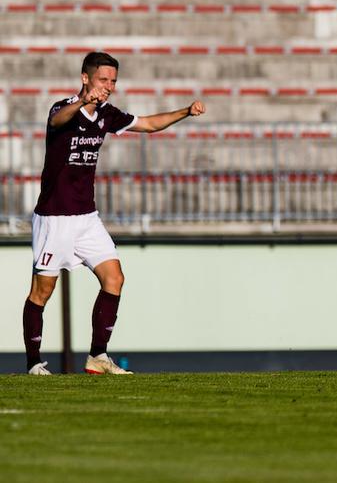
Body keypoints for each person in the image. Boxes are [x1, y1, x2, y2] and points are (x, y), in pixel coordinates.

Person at [23, 52, 206, 375]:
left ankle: (98, 357)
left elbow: (147, 124)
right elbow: (57, 121)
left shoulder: (108, 115)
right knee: (42, 291)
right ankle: (34, 363)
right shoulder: (63, 108)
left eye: (113, 81)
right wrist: (82, 101)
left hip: (86, 218)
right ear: (85, 78)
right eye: (103, 80)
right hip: (54, 217)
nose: (108, 86)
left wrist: (186, 112)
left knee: (114, 278)